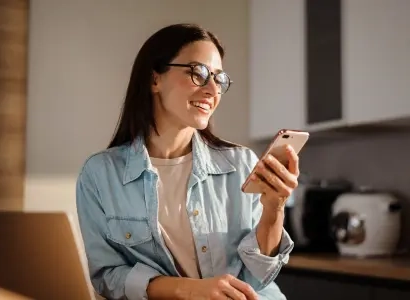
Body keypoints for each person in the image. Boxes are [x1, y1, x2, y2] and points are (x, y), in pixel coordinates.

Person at [76, 23, 299, 300]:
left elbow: (258, 276)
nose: (212, 89)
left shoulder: (241, 163)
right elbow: (107, 276)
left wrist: (274, 209)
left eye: (218, 78)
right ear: (154, 79)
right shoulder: (100, 174)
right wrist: (191, 290)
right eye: (198, 72)